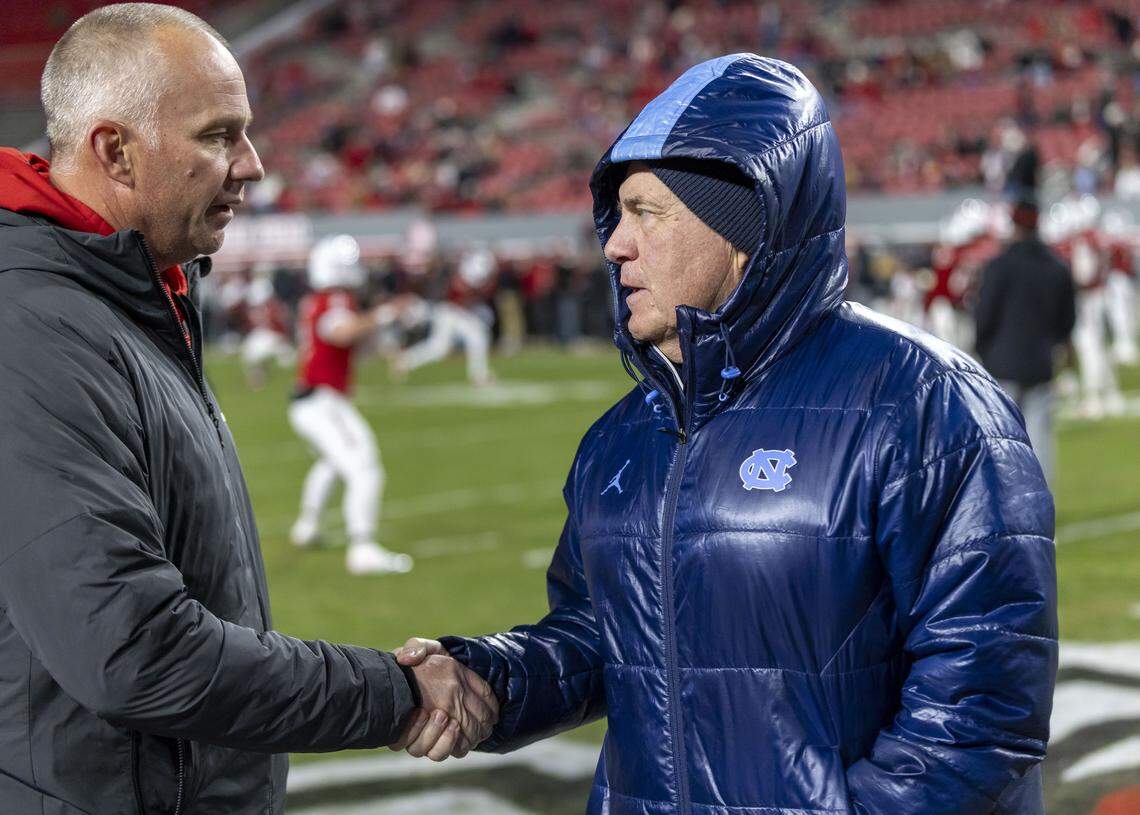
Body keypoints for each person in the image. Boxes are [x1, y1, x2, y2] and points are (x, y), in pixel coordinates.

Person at [397, 54, 1058, 815]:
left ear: (745, 223)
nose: (614, 244)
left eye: (647, 212)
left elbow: (979, 710)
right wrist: (489, 678)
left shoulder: (925, 404)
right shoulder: (620, 437)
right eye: (616, 214)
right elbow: (603, 640)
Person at [0, 6, 494, 813]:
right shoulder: (37, 325)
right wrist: (396, 693)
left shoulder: (132, 294)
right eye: (219, 135)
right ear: (115, 151)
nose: (254, 165)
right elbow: (135, 652)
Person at [289, 233, 414, 574]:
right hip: (321, 400)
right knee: (364, 468)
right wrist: (386, 313)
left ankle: (307, 526)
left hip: (313, 399)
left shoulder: (318, 300)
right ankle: (363, 548)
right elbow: (339, 332)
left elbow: (350, 340)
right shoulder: (334, 300)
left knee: (333, 462)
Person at [975, 198, 1077, 483]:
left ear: (1014, 224)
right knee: (1041, 440)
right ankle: (1042, 511)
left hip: (1001, 364)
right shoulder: (1057, 266)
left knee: (1002, 440)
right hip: (1041, 362)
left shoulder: (998, 265)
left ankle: (1007, 511)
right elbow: (1066, 320)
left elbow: (984, 315)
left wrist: (982, 349)